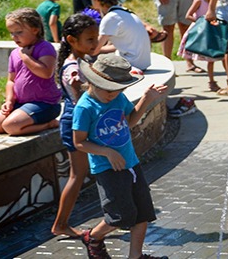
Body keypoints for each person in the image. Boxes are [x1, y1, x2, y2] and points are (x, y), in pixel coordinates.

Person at [72, 53, 169, 259]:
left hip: (131, 163)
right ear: (93, 81)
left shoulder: (118, 98)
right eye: (108, 90)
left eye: (118, 90)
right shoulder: (85, 107)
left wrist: (146, 99)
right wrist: (106, 151)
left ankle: (136, 256)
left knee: (143, 213)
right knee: (119, 216)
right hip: (107, 168)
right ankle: (93, 237)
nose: (112, 95)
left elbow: (130, 121)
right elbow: (78, 142)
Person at [51, 13, 98, 239]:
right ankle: (61, 224)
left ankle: (117, 215)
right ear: (71, 40)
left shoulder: (83, 60)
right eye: (90, 39)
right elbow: (81, 98)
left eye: (96, 37)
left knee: (86, 172)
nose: (95, 43)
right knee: (77, 175)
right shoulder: (72, 69)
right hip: (75, 124)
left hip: (83, 121)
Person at [0, 8, 62, 136]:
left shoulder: (45, 48)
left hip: (45, 104)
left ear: (35, 30)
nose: (14, 37)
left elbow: (46, 73)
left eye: (18, 32)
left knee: (10, 127)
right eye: (11, 33)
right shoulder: (14, 53)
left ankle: (48, 124)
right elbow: (11, 80)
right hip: (22, 103)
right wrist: (9, 101)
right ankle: (23, 118)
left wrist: (26, 58)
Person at [85, 0, 153, 71]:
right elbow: (117, 46)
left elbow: (94, 50)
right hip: (141, 62)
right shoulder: (124, 11)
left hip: (131, 64)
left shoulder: (110, 18)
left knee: (87, 57)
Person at [180, 0, 222, 90]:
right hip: (201, 30)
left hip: (212, 30)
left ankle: (222, 80)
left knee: (214, 57)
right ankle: (211, 81)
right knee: (210, 58)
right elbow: (188, 15)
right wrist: (201, 21)